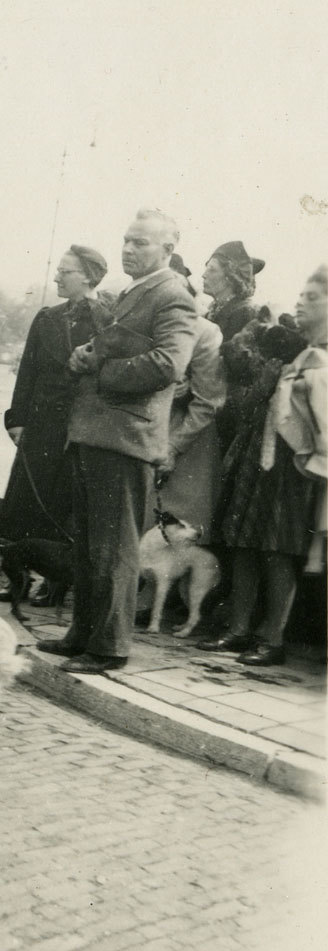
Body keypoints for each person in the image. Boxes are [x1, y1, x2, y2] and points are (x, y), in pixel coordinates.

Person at [37, 209, 197, 673]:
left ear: (168, 250)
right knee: (90, 545)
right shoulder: (134, 291)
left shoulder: (171, 295)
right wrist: (87, 355)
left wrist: (100, 371)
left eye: (141, 243)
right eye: (126, 240)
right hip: (97, 434)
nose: (128, 249)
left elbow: (170, 364)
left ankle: (108, 647)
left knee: (113, 548)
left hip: (125, 439)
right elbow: (118, 346)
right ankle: (82, 636)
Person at [198, 266, 326, 666]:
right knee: (244, 546)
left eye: (312, 299)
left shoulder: (315, 358)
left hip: (293, 466)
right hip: (258, 457)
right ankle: (238, 631)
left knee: (276, 551)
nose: (300, 304)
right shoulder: (291, 350)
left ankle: (272, 639)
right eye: (301, 298)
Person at [1, 245, 111, 546]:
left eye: (65, 272)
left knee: (65, 505)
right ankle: (17, 572)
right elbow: (27, 373)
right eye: (58, 271)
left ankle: (52, 586)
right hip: (40, 425)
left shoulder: (108, 320)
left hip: (79, 428)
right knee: (26, 499)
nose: (57, 278)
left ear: (88, 277)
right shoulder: (46, 317)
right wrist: (17, 419)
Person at [149, 254, 227, 541]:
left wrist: (174, 448)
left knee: (178, 534)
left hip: (187, 443)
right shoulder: (143, 323)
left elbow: (209, 401)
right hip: (143, 433)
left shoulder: (205, 331)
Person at [202, 240, 262, 451]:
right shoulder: (211, 311)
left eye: (211, 270)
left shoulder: (245, 312)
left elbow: (239, 368)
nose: (204, 275)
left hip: (225, 408)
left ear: (229, 276)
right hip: (208, 399)